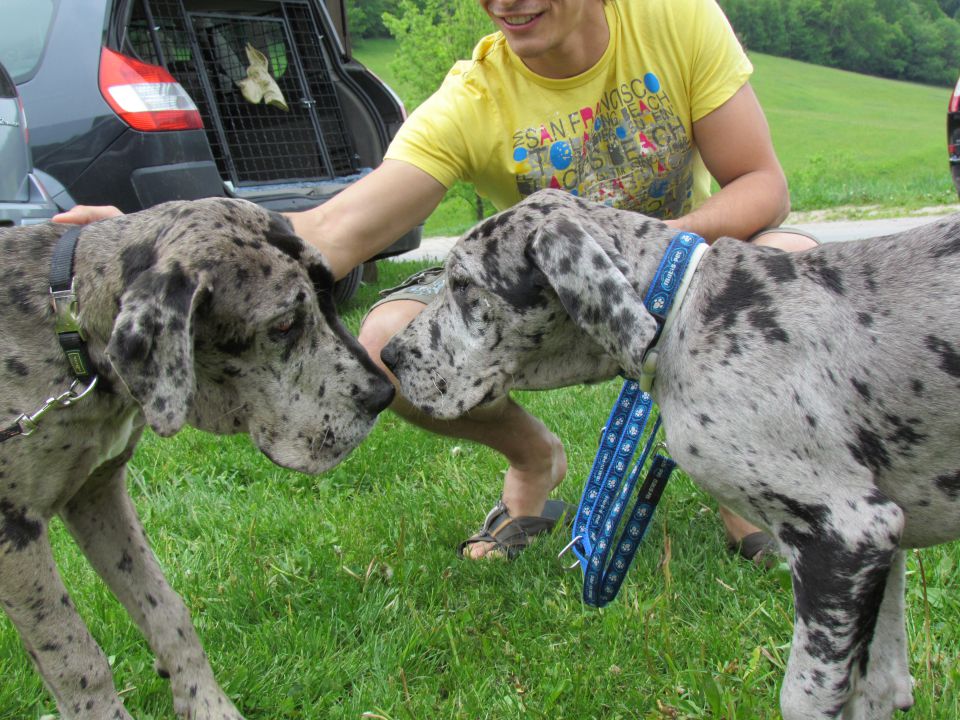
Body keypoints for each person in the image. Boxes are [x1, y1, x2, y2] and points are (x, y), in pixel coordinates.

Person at [57, 0, 817, 564]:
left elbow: (760, 186)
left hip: (674, 287)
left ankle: (737, 477)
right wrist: (141, 235)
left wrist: (633, 251)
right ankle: (533, 460)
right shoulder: (473, 99)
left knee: (793, 259)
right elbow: (333, 231)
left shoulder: (676, 20)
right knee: (387, 344)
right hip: (545, 312)